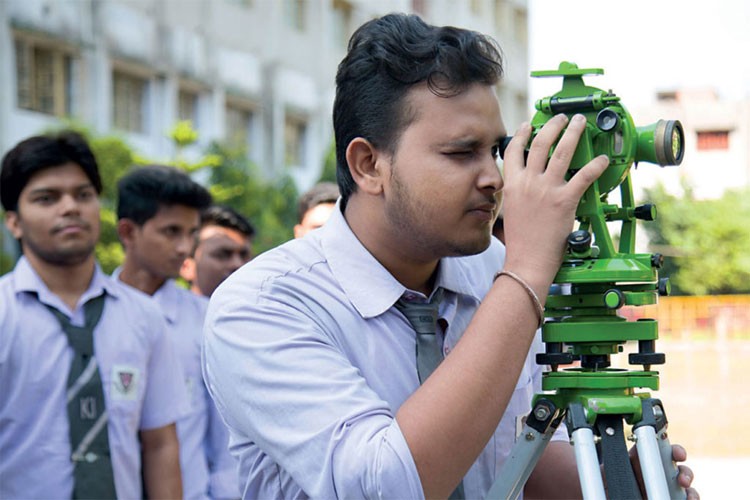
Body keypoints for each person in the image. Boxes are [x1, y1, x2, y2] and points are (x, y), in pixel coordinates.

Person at [203, 14, 697, 499]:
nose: (495, 178)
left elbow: (513, 457)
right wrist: (525, 275)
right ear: (368, 164)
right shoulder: (263, 306)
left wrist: (618, 478)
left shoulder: (494, 277)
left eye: (496, 151)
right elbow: (383, 487)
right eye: (462, 154)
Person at [0, 131, 187, 499]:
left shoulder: (143, 317)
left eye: (83, 195)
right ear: (15, 222)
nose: (70, 207)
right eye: (47, 198)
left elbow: (160, 443)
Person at [115, 165, 239, 499]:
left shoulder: (208, 321)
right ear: (128, 232)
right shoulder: (93, 318)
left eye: (191, 233)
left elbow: (226, 436)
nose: (184, 247)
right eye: (171, 232)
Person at [180, 204, 255, 297]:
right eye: (222, 255)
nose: (237, 264)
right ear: (186, 266)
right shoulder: (162, 310)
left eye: (244, 255)